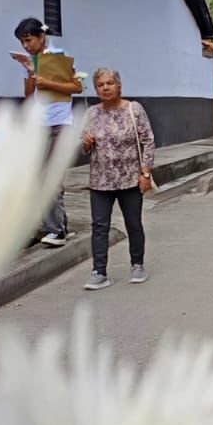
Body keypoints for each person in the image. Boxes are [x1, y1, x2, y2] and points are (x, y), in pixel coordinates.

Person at [79, 68, 155, 289]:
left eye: (110, 83)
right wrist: (86, 142)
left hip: (130, 179)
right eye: (100, 84)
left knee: (133, 223)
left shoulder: (134, 109)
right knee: (99, 226)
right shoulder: (92, 113)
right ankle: (99, 272)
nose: (105, 87)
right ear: (96, 89)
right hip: (100, 180)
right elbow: (84, 148)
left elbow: (148, 141)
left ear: (119, 85)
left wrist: (146, 172)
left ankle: (137, 265)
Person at [12, 18, 83, 247]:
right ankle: (56, 225)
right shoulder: (32, 60)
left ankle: (56, 231)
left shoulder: (57, 55)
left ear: (41, 37)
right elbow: (29, 95)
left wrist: (46, 82)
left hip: (59, 124)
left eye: (28, 40)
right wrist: (31, 73)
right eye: (22, 42)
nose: (26, 45)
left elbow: (76, 87)